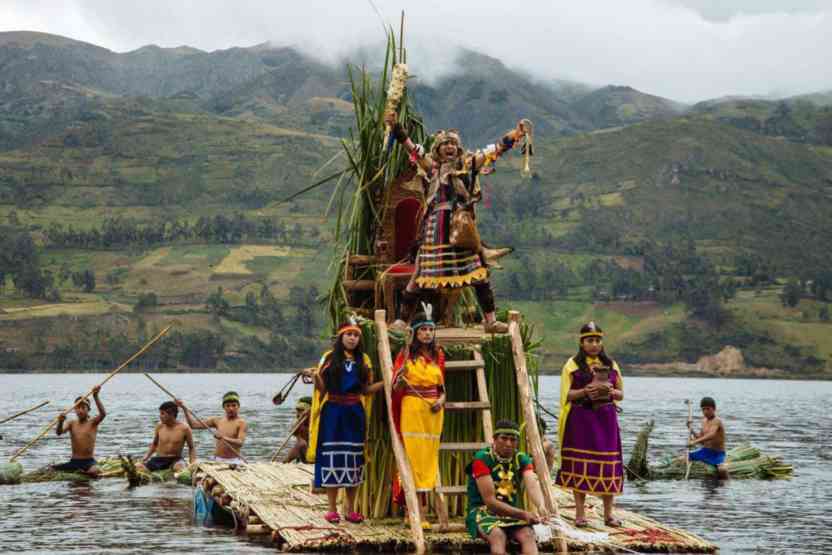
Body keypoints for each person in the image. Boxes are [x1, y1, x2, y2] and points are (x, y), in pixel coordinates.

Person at [385, 110, 532, 334]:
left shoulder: (469, 163)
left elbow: (496, 149)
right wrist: (397, 128)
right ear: (437, 149)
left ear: (459, 147)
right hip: (434, 228)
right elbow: (410, 147)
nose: (450, 147)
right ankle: (402, 322)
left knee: (478, 273)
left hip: (460, 228)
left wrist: (516, 134)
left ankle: (490, 321)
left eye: (453, 144)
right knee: (419, 275)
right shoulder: (431, 167)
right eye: (445, 144)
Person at [309, 320, 384, 524]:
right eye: (348, 334)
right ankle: (332, 509)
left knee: (353, 461)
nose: (352, 338)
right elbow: (322, 390)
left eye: (356, 335)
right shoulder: (330, 358)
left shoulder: (364, 360)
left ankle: (351, 510)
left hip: (354, 414)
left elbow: (365, 390)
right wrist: (315, 377)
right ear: (341, 337)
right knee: (332, 457)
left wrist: (386, 382)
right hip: (333, 412)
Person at [555, 322, 624, 528]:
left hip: (606, 421)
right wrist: (587, 391)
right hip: (580, 421)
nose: (594, 344)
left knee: (609, 466)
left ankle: (608, 515)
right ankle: (579, 514)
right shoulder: (572, 366)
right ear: (581, 342)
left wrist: (611, 392)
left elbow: (620, 394)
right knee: (579, 464)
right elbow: (566, 396)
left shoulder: (611, 365)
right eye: (590, 340)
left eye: (597, 340)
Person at [391, 306, 446, 529]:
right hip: (412, 409)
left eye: (430, 330)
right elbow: (395, 387)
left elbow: (442, 388)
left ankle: (423, 512)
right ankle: (411, 511)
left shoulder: (438, 354)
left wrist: (441, 402)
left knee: (428, 460)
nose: (427, 334)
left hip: (433, 413)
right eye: (422, 329)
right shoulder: (404, 355)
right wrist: (401, 380)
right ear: (414, 332)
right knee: (412, 459)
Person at [465, 420, 548, 555]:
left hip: (511, 514)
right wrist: (523, 514)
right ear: (495, 439)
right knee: (498, 536)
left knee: (528, 535)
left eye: (513, 440)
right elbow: (490, 502)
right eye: (504, 438)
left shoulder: (521, 458)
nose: (508, 444)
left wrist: (541, 506)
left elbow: (532, 484)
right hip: (483, 512)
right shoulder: (481, 459)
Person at [179, 392, 247, 465]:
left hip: (234, 460)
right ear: (224, 407)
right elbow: (194, 425)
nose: (231, 408)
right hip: (217, 459)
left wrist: (223, 438)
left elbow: (240, 442)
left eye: (234, 405)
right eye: (228, 406)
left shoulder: (241, 423)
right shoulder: (217, 420)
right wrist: (184, 409)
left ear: (238, 407)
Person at [54, 385, 106, 476]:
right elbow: (59, 432)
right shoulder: (71, 423)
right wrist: (60, 422)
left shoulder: (93, 423)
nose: (80, 410)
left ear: (88, 410)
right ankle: (80, 473)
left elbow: (103, 414)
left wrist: (95, 396)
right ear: (74, 409)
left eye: (83, 408)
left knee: (94, 471)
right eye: (78, 408)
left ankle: (85, 473)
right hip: (74, 461)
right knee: (50, 469)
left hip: (89, 462)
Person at [138, 401, 195, 473]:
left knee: (180, 467)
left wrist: (192, 463)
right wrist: (145, 457)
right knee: (138, 467)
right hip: (159, 459)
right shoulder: (159, 426)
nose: (160, 416)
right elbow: (154, 444)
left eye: (162, 413)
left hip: (175, 460)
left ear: (172, 414)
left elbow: (191, 447)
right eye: (160, 413)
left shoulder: (184, 428)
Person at [688, 396, 728, 479]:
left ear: (714, 409)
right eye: (703, 409)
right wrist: (691, 430)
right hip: (705, 451)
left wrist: (694, 442)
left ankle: (726, 487)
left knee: (722, 470)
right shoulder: (703, 421)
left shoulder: (717, 421)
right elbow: (701, 439)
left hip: (717, 454)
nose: (705, 412)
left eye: (708, 409)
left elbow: (711, 435)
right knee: (684, 457)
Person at [284, 396, 312, 463]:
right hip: (302, 454)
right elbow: (292, 432)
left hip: (312, 455)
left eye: (301, 410)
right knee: (301, 444)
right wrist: (300, 418)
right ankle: (284, 463)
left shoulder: (315, 422)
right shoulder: (300, 422)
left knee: (301, 444)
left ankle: (285, 462)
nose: (298, 413)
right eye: (298, 410)